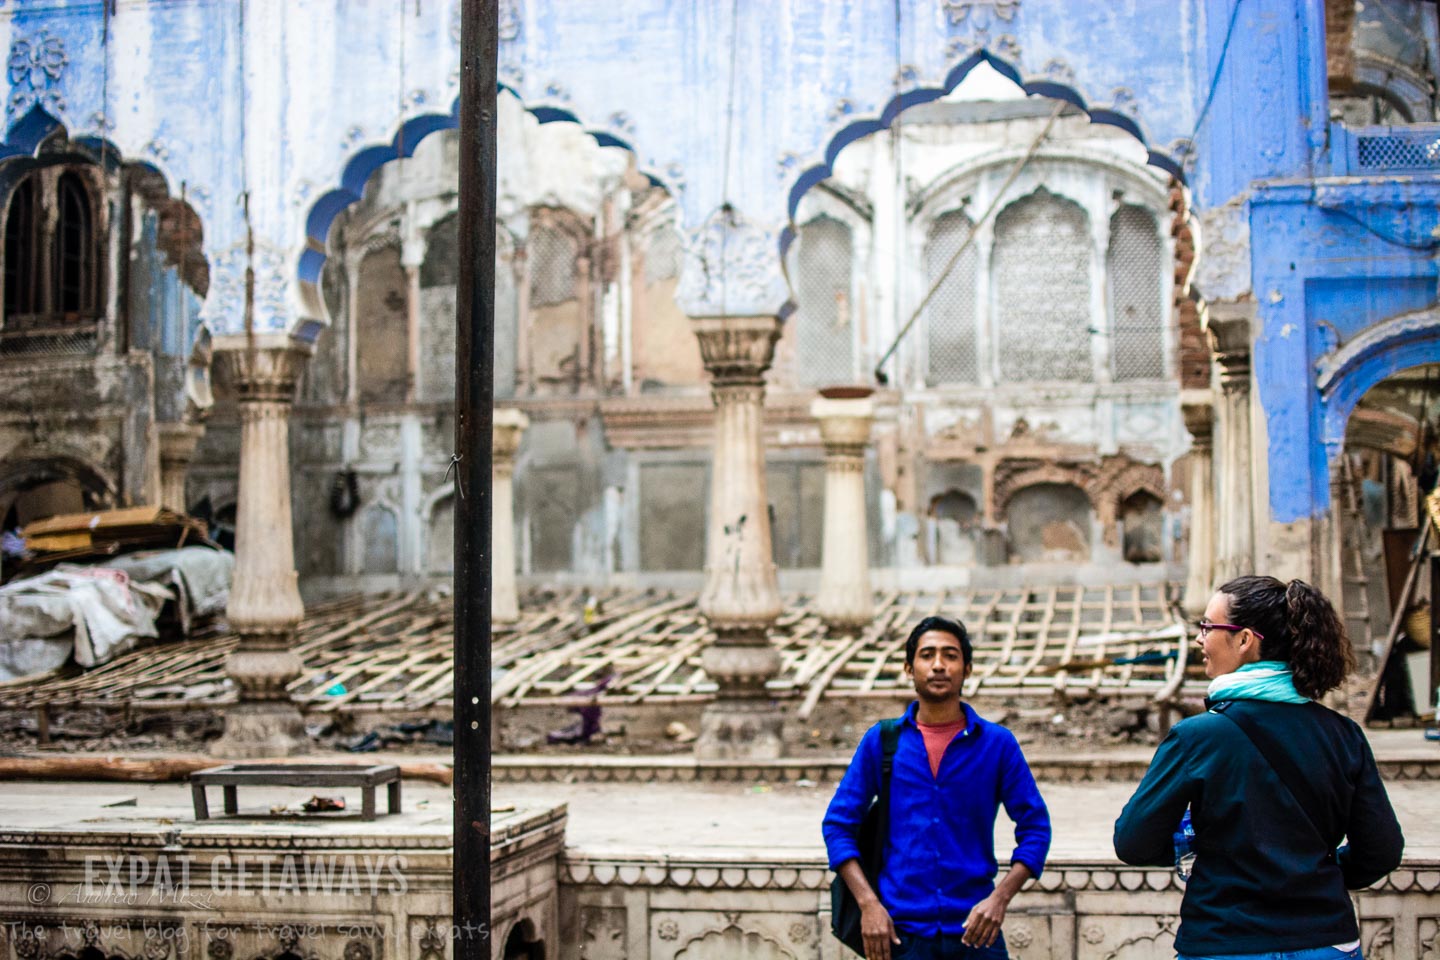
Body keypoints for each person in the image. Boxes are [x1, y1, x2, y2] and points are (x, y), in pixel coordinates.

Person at [1114, 576, 1404, 960]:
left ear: (1245, 639)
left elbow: (1133, 842)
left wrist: (1207, 854)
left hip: (1225, 941)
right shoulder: (1343, 735)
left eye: (1207, 627)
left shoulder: (1196, 738)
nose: (1200, 639)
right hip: (1326, 941)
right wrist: (1314, 873)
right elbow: (1382, 851)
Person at [823, 615, 1051, 960]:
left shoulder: (997, 745)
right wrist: (868, 904)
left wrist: (999, 899)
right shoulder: (882, 742)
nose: (939, 665)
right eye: (927, 655)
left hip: (977, 935)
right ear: (909, 668)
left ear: (968, 668)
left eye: (951, 655)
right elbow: (838, 825)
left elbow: (1036, 828)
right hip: (900, 937)